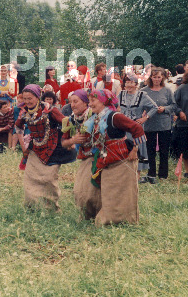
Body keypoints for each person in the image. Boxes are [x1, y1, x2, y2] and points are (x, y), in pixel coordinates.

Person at [82, 88, 145, 225]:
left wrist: (135, 150)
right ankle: (110, 216)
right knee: (109, 191)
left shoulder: (115, 116)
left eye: (93, 100)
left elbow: (137, 128)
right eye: (89, 101)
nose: (90, 104)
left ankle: (124, 219)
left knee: (123, 192)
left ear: (104, 101)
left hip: (122, 160)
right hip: (106, 160)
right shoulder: (97, 118)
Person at [14, 84, 75, 211]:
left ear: (37, 97)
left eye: (30, 98)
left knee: (48, 178)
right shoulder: (24, 111)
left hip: (53, 147)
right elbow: (18, 127)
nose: (27, 101)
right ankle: (32, 206)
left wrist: (69, 140)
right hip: (35, 148)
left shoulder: (50, 110)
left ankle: (51, 208)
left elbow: (67, 123)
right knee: (30, 177)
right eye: (24, 98)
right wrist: (23, 145)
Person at [61, 89, 95, 218]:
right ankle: (88, 215)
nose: (72, 105)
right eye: (70, 102)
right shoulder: (70, 120)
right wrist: (72, 140)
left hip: (101, 156)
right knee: (80, 190)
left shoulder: (95, 115)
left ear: (86, 103)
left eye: (76, 101)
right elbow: (63, 142)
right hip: (85, 158)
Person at [118, 73, 158, 182]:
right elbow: (113, 106)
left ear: (136, 84)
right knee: (124, 151)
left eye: (132, 82)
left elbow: (154, 107)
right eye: (127, 82)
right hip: (123, 129)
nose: (129, 85)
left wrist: (145, 118)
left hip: (136, 129)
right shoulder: (120, 94)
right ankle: (124, 177)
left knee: (138, 151)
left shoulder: (142, 95)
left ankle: (137, 177)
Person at [143, 67, 178, 183]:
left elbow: (173, 105)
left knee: (164, 150)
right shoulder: (144, 91)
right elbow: (140, 106)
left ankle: (163, 174)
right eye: (154, 77)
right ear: (150, 77)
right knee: (150, 150)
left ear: (162, 77)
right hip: (150, 124)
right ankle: (151, 173)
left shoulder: (167, 90)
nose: (156, 79)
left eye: (159, 77)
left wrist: (164, 109)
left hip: (164, 124)